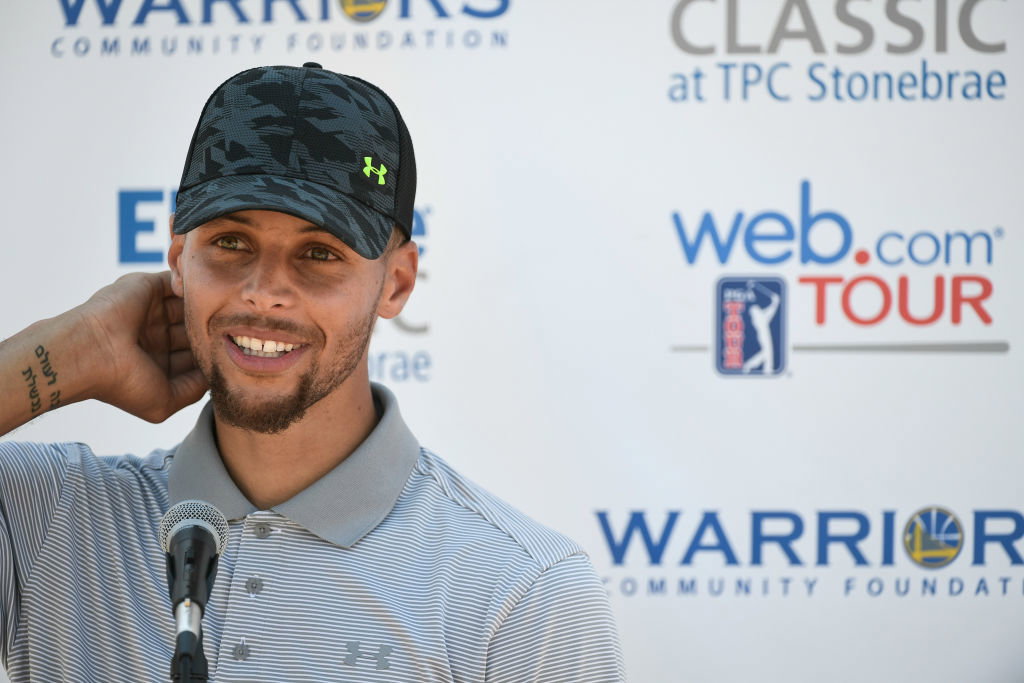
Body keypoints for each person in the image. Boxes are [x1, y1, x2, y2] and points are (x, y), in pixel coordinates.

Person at [0, 63, 624, 681]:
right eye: (230, 242)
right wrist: (70, 352)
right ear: (178, 259)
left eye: (320, 252)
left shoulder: (523, 593)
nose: (265, 292)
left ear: (398, 281)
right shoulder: (47, 515)